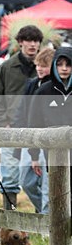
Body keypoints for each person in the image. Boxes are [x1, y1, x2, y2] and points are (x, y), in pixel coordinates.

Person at [0, 24, 43, 208]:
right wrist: (2, 123)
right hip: (11, 128)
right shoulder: (7, 68)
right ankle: (9, 219)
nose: (32, 45)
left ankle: (43, 217)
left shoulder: (46, 68)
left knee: (40, 176)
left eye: (36, 41)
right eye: (28, 40)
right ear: (20, 42)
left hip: (39, 129)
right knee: (10, 176)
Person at [27, 46, 72, 206]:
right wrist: (33, 156)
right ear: (54, 65)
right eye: (60, 64)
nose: (64, 68)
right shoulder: (43, 91)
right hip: (53, 154)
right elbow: (34, 124)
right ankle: (58, 229)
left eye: (68, 64)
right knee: (58, 195)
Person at [11, 47, 54, 214]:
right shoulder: (31, 84)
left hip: (47, 141)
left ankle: (47, 218)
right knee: (26, 181)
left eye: (44, 65)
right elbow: (22, 110)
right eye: (38, 65)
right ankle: (44, 212)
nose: (40, 69)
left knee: (47, 186)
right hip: (29, 139)